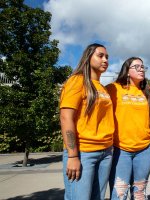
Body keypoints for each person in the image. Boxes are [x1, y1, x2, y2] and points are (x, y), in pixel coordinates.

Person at [59, 43, 114, 200]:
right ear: (88, 58)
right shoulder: (77, 81)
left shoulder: (103, 88)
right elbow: (66, 117)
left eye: (107, 57)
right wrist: (72, 156)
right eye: (100, 55)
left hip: (106, 152)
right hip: (84, 153)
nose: (105, 59)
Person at [106, 57, 150, 200]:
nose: (141, 69)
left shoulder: (149, 91)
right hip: (121, 150)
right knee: (119, 194)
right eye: (137, 66)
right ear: (127, 71)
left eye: (143, 67)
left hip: (145, 150)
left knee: (140, 193)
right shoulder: (113, 89)